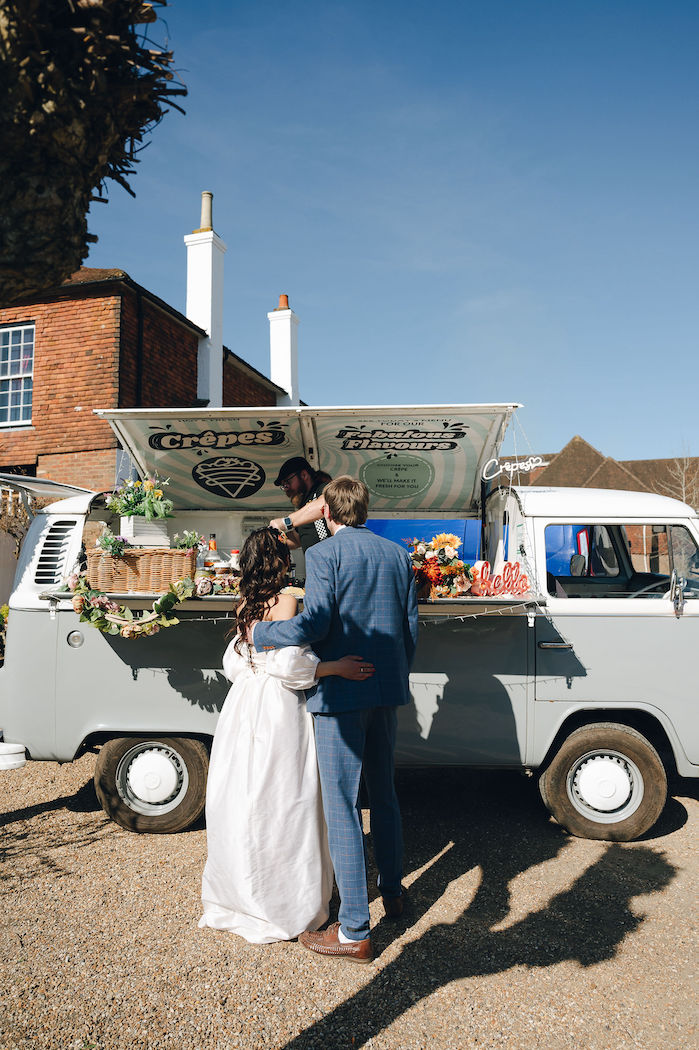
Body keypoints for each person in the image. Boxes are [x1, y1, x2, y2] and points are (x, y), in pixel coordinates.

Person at [253, 477, 419, 964]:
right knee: (384, 797)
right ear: (364, 509)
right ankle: (394, 893)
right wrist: (394, 676)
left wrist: (262, 632)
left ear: (326, 512)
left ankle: (354, 931)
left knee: (343, 807)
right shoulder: (398, 555)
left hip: (341, 697)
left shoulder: (324, 554)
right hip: (385, 691)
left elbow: (316, 622)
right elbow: (410, 628)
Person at [199, 527, 374, 944]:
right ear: (280, 561)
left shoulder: (246, 601)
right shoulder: (287, 599)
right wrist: (335, 667)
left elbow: (239, 661)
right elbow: (287, 665)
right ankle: (284, 902)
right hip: (278, 707)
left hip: (243, 704)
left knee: (246, 795)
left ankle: (243, 891)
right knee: (285, 796)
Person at [269, 455, 332, 552]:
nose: (286, 488)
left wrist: (285, 522)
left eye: (287, 482)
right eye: (283, 486)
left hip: (333, 557)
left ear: (304, 475)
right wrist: (274, 540)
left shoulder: (323, 488)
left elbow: (324, 503)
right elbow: (296, 538)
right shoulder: (304, 506)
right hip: (315, 560)